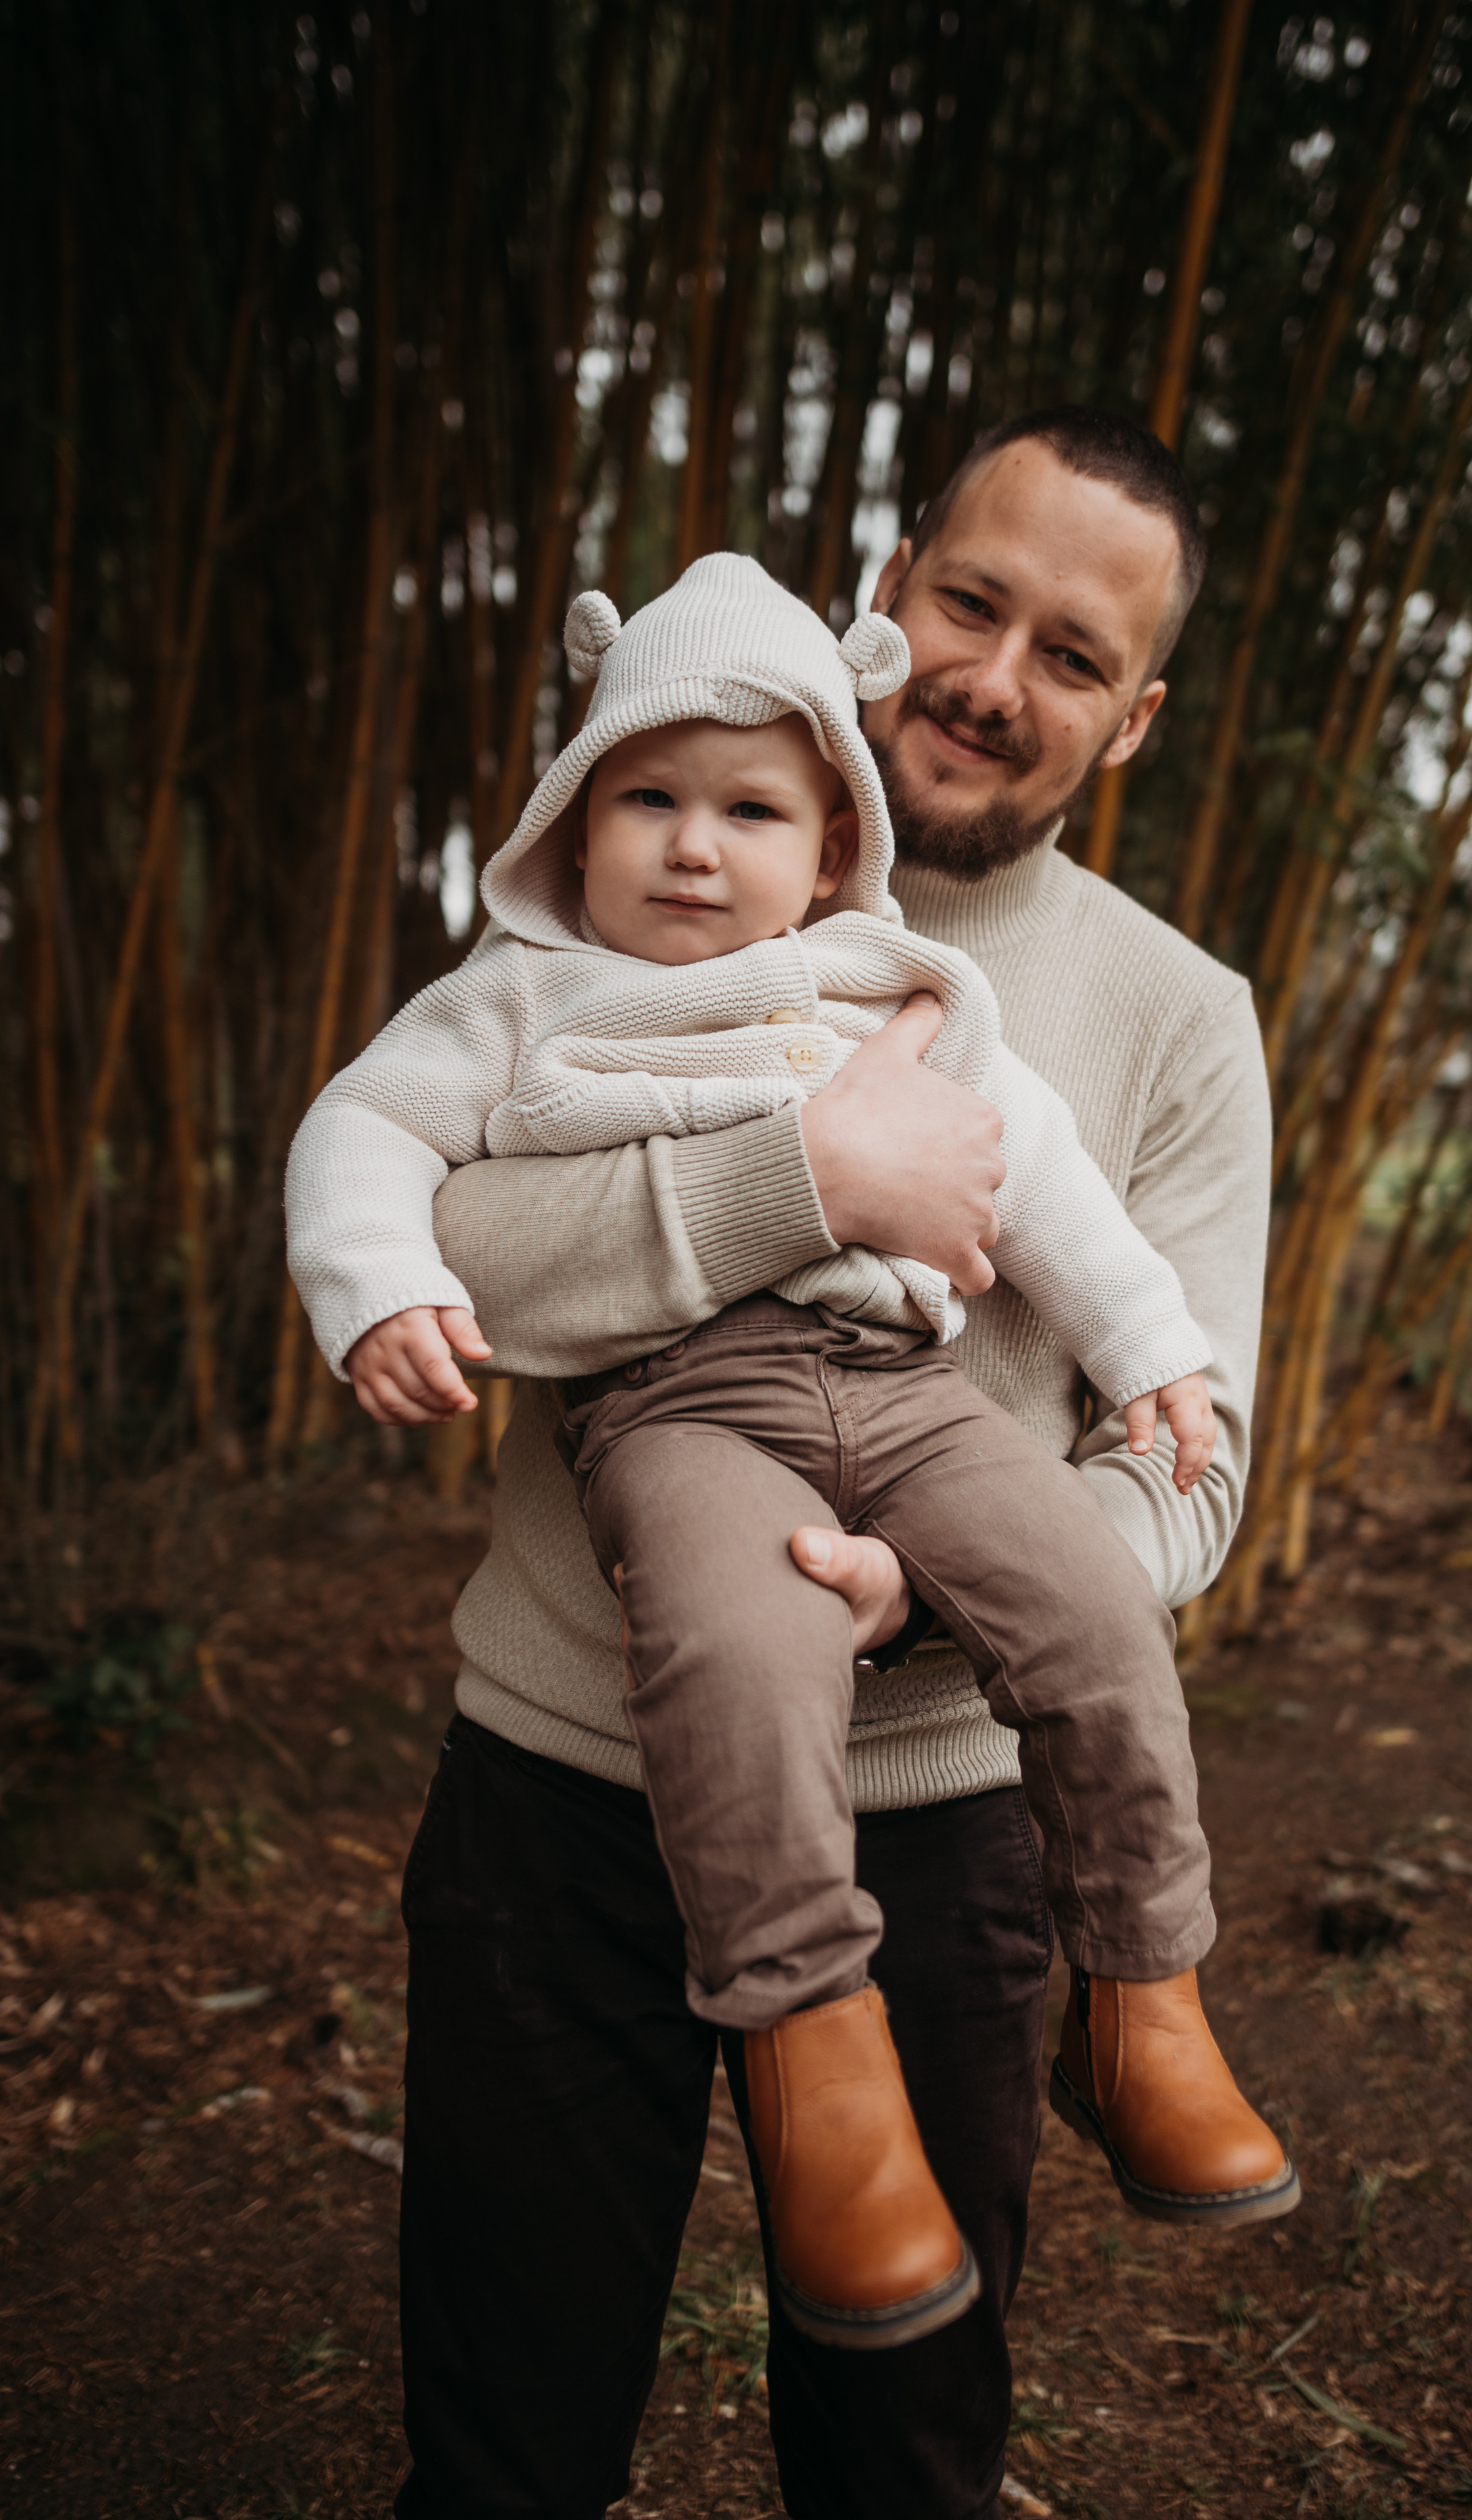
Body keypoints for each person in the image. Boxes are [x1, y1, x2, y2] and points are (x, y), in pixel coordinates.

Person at [383, 408, 1279, 2519]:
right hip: (564, 1786)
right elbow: (442, 1255)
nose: (995, 674)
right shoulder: (627, 884)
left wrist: (950, 1589)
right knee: (507, 2426)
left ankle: (1140, 1996)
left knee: (905, 2446)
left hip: (949, 1820)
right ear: (885, 591)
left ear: (1132, 718)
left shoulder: (1176, 1016)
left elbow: (1194, 1462)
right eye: (971, 601)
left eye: (1073, 654)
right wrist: (809, 1174)